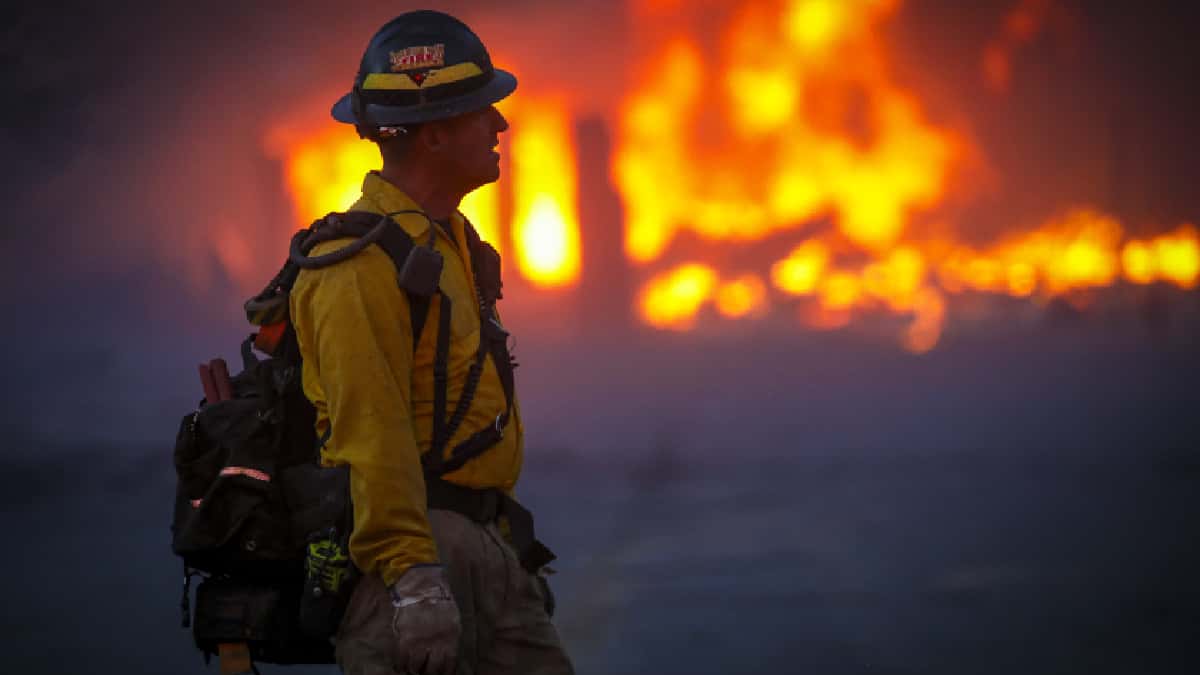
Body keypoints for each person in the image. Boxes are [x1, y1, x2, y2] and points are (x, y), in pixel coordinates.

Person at [288, 10, 574, 675]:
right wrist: (415, 579)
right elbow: (371, 433)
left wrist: (498, 556)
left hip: (478, 547)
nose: (500, 125)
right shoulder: (357, 264)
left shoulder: (447, 242)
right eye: (482, 112)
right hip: (413, 561)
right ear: (437, 135)